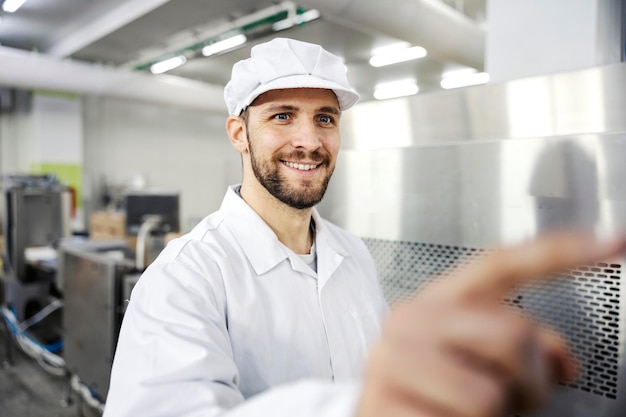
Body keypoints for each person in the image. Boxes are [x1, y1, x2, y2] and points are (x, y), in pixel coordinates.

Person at [102, 37, 626, 417]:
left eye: (325, 118)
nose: (308, 140)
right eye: (282, 116)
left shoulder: (352, 256)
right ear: (239, 133)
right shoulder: (186, 277)